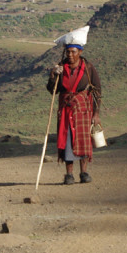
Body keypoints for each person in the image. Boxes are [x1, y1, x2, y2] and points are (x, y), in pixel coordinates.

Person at [46, 29, 102, 185]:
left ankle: (84, 173)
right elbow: (53, 91)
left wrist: (96, 113)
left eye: (73, 52)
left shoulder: (88, 68)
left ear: (80, 51)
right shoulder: (60, 68)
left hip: (83, 110)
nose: (70, 55)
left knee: (84, 141)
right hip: (65, 110)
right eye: (68, 52)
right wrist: (53, 76)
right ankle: (69, 175)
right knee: (67, 140)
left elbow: (97, 91)